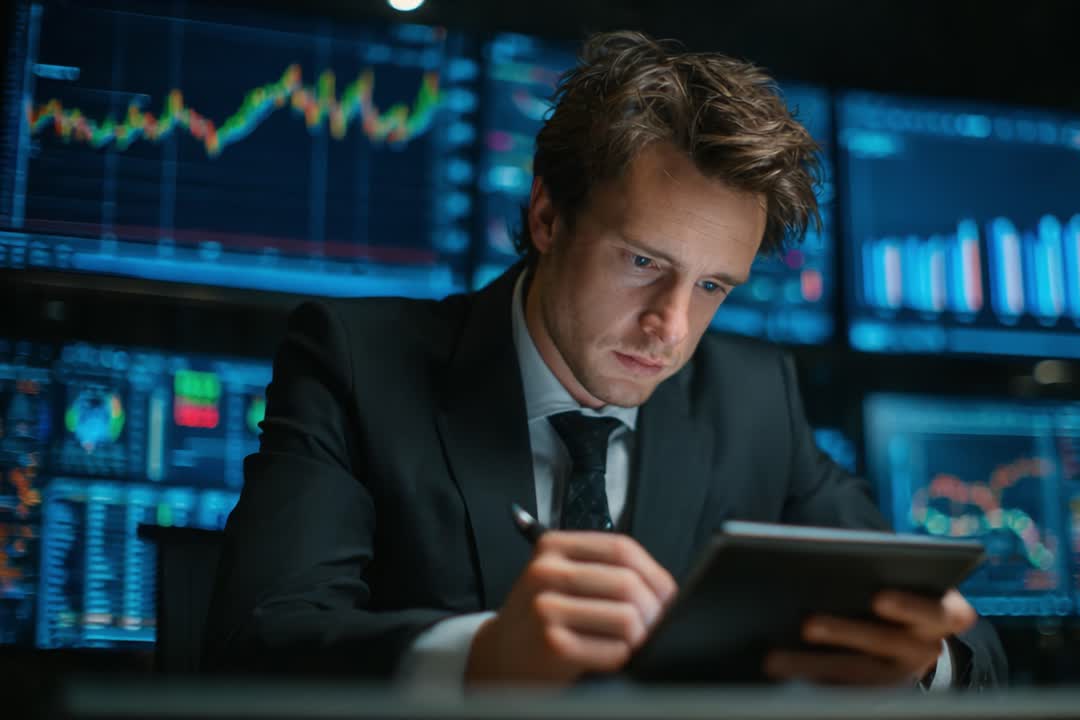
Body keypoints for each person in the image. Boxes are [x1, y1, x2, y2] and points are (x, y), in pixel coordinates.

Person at [203, 30, 1007, 690]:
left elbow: (966, 640)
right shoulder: (356, 361)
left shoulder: (754, 397)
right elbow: (258, 643)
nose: (672, 327)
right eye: (642, 263)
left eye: (714, 285)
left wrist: (922, 661)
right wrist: (481, 660)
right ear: (548, 215)